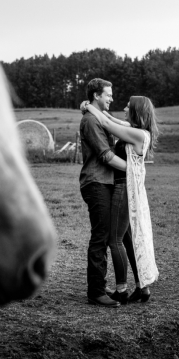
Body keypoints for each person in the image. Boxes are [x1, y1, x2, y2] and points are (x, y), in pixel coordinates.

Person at [81, 96, 160, 304]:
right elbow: (109, 118)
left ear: (135, 111)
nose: (123, 107)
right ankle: (143, 288)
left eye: (127, 106)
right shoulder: (135, 128)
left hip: (123, 187)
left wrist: (89, 106)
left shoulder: (137, 133)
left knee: (114, 239)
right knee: (126, 239)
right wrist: (90, 107)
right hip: (126, 186)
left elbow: (107, 123)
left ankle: (121, 289)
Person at [79, 78, 121, 307]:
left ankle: (99, 284)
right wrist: (133, 169)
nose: (111, 98)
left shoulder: (97, 117)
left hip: (103, 182)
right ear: (96, 95)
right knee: (100, 236)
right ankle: (95, 292)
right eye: (108, 94)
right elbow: (105, 155)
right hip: (96, 183)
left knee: (103, 236)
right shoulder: (90, 121)